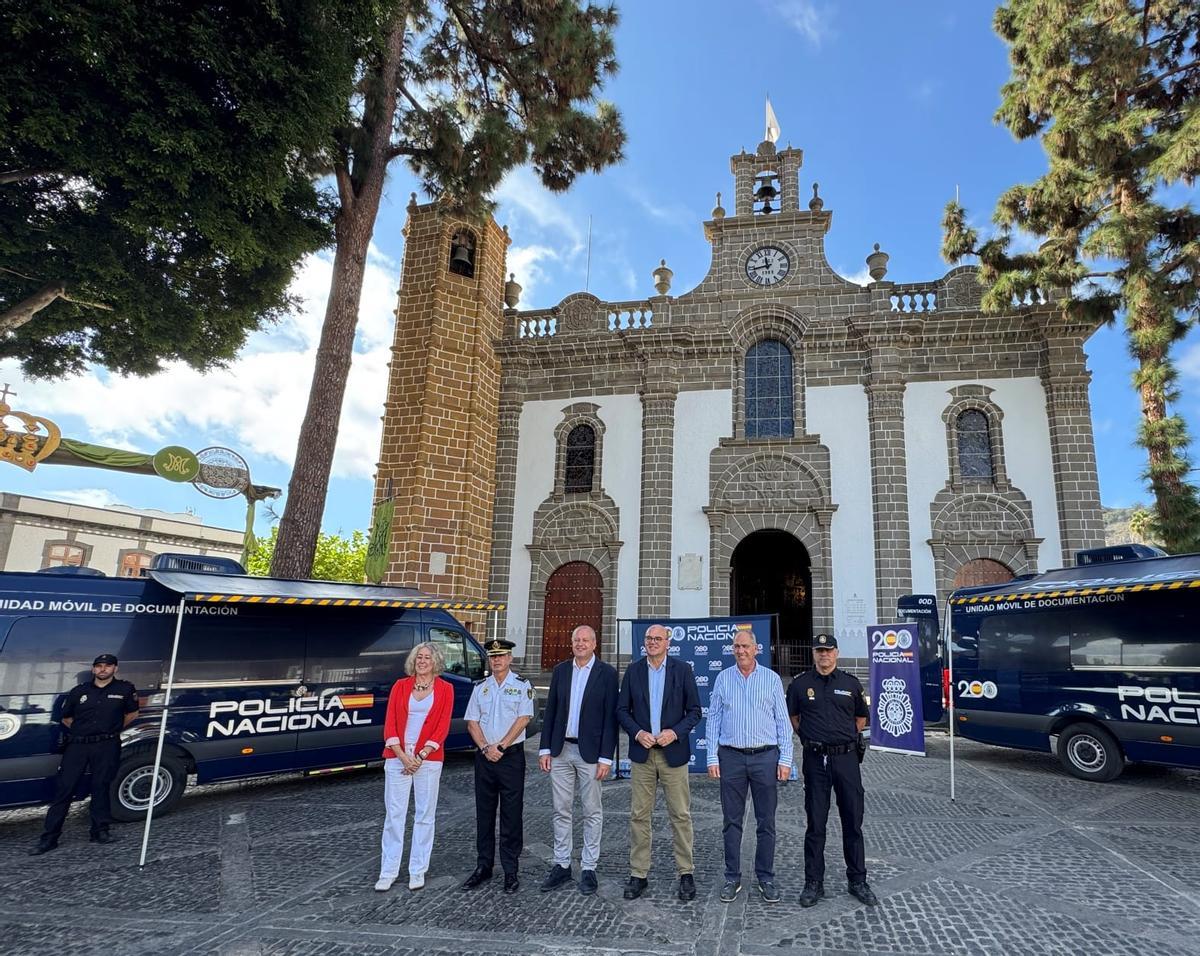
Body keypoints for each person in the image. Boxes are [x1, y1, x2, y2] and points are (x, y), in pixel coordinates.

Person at [786, 632, 877, 907]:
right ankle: (814, 882)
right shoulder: (800, 685)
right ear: (813, 654)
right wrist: (810, 738)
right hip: (815, 760)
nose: (823, 655)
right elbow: (793, 717)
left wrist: (844, 737)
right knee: (816, 823)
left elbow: (861, 717)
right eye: (819, 651)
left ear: (836, 653)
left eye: (828, 650)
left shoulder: (850, 683)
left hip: (846, 759)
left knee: (853, 821)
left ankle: (857, 880)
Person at [616, 622, 702, 901]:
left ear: (668, 643)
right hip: (643, 755)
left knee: (680, 815)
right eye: (648, 638)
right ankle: (639, 874)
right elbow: (621, 710)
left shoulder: (682, 670)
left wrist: (674, 733)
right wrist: (638, 733)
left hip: (672, 754)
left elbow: (694, 711)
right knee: (639, 816)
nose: (652, 642)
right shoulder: (634, 670)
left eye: (657, 638)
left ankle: (685, 873)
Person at [705, 626, 792, 904]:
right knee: (731, 821)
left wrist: (786, 759)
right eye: (736, 647)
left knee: (766, 822)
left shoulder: (771, 679)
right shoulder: (723, 679)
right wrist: (711, 757)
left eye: (745, 646)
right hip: (731, 757)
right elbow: (714, 719)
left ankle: (765, 876)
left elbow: (783, 722)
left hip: (765, 757)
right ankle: (732, 876)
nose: (741, 651)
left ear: (756, 649)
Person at [29, 653, 139, 854]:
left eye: (107, 666)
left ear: (115, 668)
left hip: (107, 745)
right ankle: (49, 838)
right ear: (93, 669)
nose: (102, 669)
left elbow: (132, 713)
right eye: (99, 666)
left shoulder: (125, 689)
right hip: (78, 746)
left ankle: (100, 831)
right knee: (64, 789)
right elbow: (66, 718)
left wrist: (112, 730)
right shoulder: (79, 691)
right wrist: (83, 733)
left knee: (101, 787)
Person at [537, 624, 618, 896]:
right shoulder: (561, 671)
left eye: (586, 640)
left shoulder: (607, 674)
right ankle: (561, 864)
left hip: (591, 754)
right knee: (561, 809)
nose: (581, 644)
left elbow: (610, 718)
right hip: (560, 751)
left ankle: (588, 867)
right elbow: (551, 712)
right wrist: (544, 749)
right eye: (576, 640)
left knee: (592, 811)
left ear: (595, 644)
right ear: (571, 643)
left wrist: (607, 757)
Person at [376, 641, 453, 893]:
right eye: (419, 657)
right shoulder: (400, 686)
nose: (422, 661)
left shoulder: (446, 689)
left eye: (427, 658)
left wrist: (419, 756)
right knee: (394, 815)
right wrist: (402, 755)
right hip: (397, 756)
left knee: (424, 816)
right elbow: (389, 724)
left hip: (428, 759)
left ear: (436, 662)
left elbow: (442, 727)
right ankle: (388, 871)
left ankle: (417, 869)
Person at [462, 636, 533, 894]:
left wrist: (501, 746)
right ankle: (483, 866)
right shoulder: (481, 687)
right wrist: (485, 748)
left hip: (510, 757)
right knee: (484, 813)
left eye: (501, 656)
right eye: (493, 657)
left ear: (510, 658)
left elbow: (524, 718)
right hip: (485, 757)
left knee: (511, 815)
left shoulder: (522, 685)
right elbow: (472, 722)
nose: (497, 660)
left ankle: (510, 870)